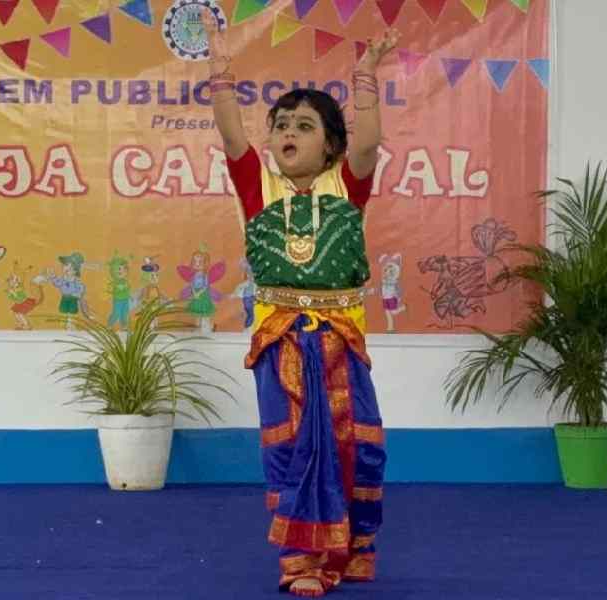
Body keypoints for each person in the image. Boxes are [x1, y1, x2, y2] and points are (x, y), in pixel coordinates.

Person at [203, 11, 399, 598]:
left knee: (359, 446)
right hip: (279, 339)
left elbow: (370, 140)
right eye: (281, 124)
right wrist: (220, 77)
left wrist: (365, 77)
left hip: (342, 337)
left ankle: (357, 547)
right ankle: (300, 561)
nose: (288, 132)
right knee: (291, 447)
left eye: (305, 125)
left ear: (331, 145)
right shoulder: (257, 187)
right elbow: (232, 135)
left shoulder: (349, 185)